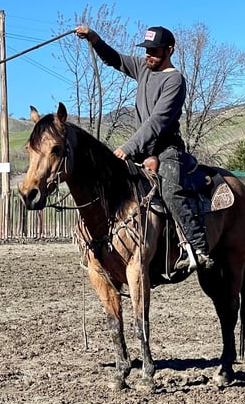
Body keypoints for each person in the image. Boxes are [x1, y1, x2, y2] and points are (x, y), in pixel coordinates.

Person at [75, 24, 214, 271]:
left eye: (155, 50)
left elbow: (157, 121)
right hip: (141, 150)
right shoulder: (143, 68)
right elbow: (114, 58)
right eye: (147, 49)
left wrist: (128, 147)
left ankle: (197, 247)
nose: (148, 55)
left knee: (170, 190)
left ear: (169, 50)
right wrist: (94, 38)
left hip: (167, 150)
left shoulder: (174, 80)